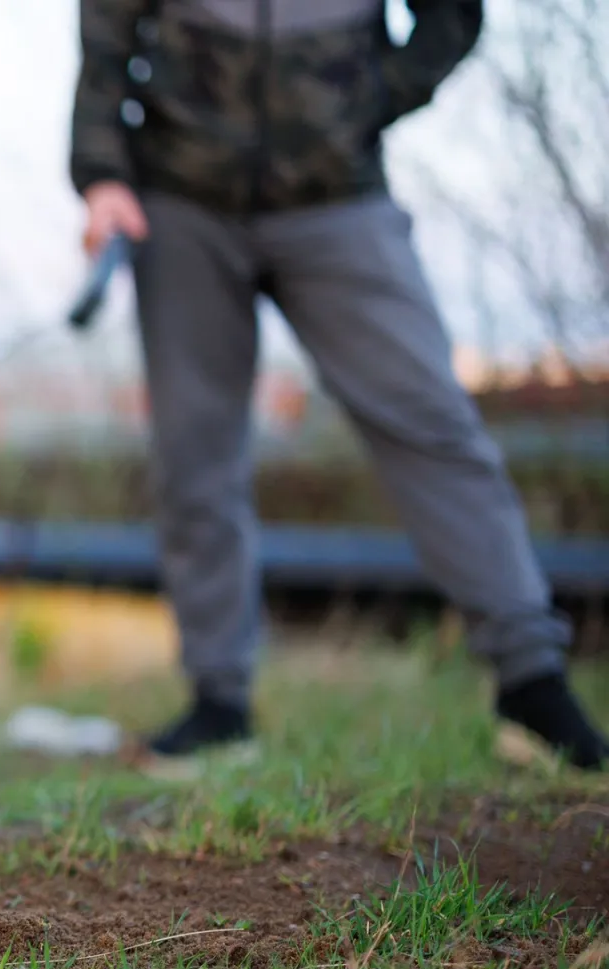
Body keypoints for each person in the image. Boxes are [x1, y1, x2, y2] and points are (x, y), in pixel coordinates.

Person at [69, 0, 607, 774]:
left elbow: (453, 16)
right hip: (180, 199)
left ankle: (531, 683)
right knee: (195, 456)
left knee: (433, 421)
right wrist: (103, 175)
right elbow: (106, 31)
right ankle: (219, 705)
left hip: (339, 198)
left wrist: (362, 103)